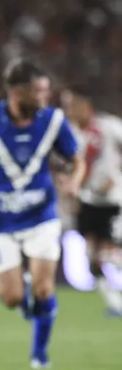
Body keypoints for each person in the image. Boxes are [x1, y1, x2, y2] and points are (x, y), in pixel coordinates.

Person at [0, 59, 85, 368]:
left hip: (41, 216)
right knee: (12, 298)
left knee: (44, 288)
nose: (45, 96)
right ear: (17, 93)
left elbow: (76, 158)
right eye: (39, 91)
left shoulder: (53, 121)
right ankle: (23, 292)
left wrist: (74, 179)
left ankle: (40, 356)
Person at [61, 89, 122, 316]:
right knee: (91, 256)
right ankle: (115, 304)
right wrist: (70, 193)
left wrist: (116, 175)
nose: (69, 110)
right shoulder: (70, 135)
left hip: (115, 199)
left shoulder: (109, 127)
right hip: (88, 200)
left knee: (111, 252)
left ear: (86, 105)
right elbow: (66, 168)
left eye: (72, 104)